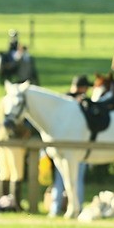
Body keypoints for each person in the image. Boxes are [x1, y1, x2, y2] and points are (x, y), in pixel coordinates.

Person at [49, 75, 89, 216]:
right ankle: (76, 206)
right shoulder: (76, 101)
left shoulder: (62, 100)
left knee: (61, 179)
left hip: (62, 147)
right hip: (77, 147)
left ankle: (57, 208)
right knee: (74, 179)